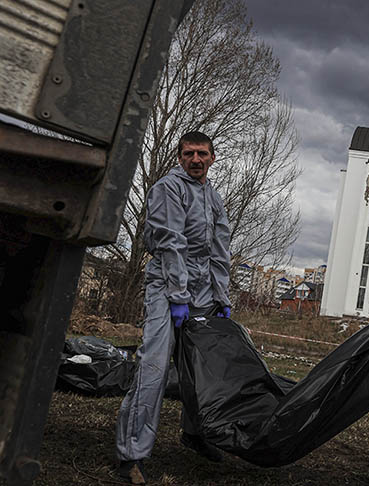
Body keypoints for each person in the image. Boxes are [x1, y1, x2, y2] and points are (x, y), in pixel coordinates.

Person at [115, 132, 232, 484]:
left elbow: (220, 250)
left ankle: (194, 433)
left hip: (201, 294)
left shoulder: (213, 197)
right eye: (188, 153)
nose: (195, 159)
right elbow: (169, 243)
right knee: (153, 369)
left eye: (202, 154)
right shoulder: (169, 188)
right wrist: (178, 296)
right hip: (166, 289)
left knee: (201, 369)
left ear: (213, 158)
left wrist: (221, 298)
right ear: (179, 157)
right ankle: (131, 455)